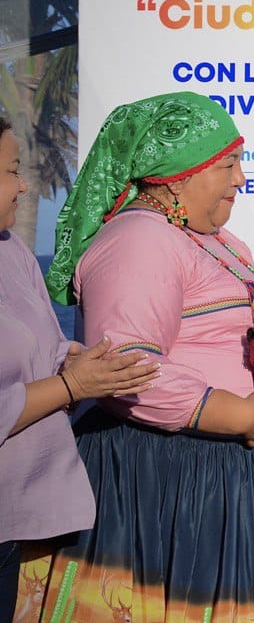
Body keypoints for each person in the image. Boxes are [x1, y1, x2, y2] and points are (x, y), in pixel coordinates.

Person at [20, 92, 254, 622]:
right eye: (227, 164)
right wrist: (241, 414)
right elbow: (124, 369)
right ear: (177, 174)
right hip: (167, 477)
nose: (241, 178)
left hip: (221, 472)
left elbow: (231, 346)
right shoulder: (138, 240)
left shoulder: (218, 241)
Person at [0, 116, 159, 622]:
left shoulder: (12, 250)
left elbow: (45, 347)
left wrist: (77, 362)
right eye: (12, 170)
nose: (24, 186)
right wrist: (72, 384)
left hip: (19, 521)